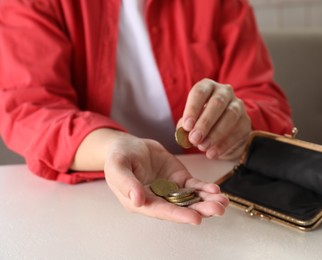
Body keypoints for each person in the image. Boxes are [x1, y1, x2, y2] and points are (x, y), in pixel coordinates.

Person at [0, 0, 293, 225]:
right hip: (85, 207)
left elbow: (266, 101)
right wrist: (113, 147)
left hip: (218, 196)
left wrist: (239, 126)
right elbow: (30, 108)